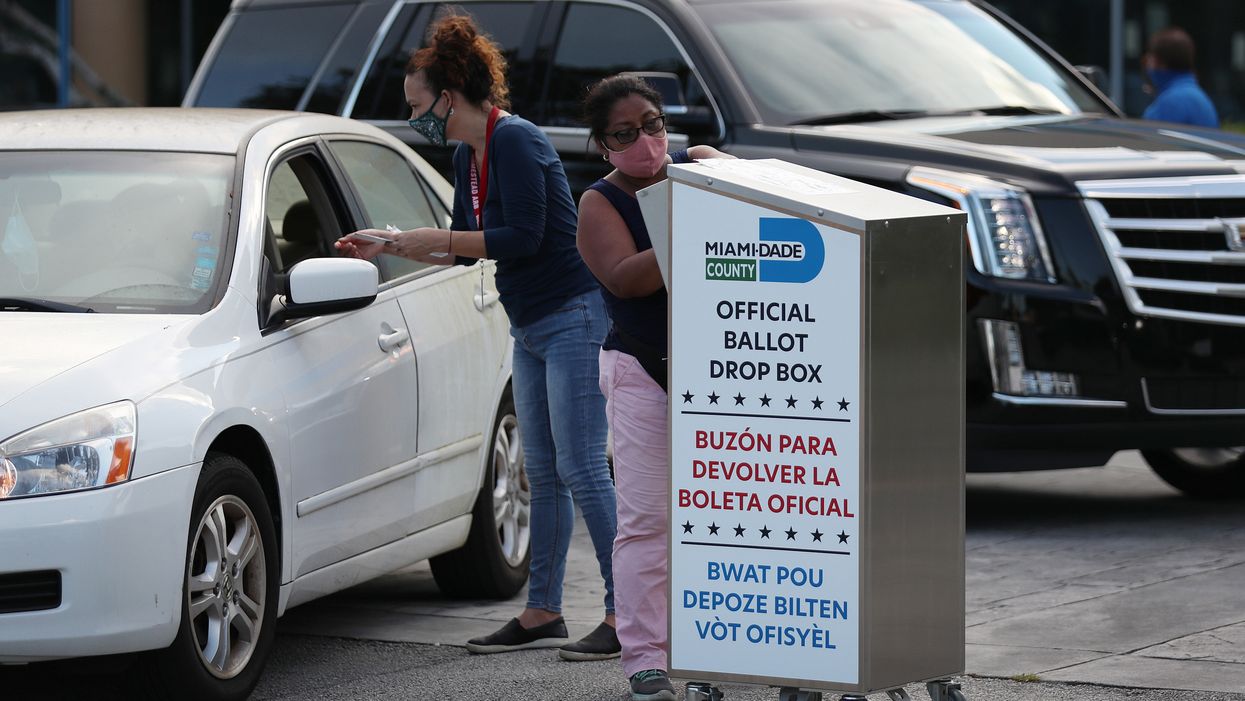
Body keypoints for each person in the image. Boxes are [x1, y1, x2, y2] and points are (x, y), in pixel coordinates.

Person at [335, 14, 620, 661]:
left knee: (580, 466)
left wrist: (427, 238)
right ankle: (543, 610)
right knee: (540, 471)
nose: (415, 118)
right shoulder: (466, 154)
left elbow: (521, 236)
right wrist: (390, 244)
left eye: (417, 105)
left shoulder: (514, 140)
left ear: (450, 94)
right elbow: (465, 252)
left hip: (573, 313)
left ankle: (624, 610)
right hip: (531, 323)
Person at [575, 74, 731, 701]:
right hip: (644, 371)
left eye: (654, 124)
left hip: (720, 372)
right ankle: (645, 657)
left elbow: (763, 198)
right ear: (604, 146)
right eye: (625, 133)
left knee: (723, 516)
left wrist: (726, 176)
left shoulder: (697, 172)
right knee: (647, 522)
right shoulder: (600, 203)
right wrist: (692, 216)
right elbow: (626, 278)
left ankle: (726, 647)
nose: (645, 140)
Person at [1142, 27, 1218, 129]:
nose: (1147, 65)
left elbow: (1147, 141)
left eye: (1150, 58)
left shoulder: (1172, 102)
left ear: (1159, 62)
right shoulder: (1194, 95)